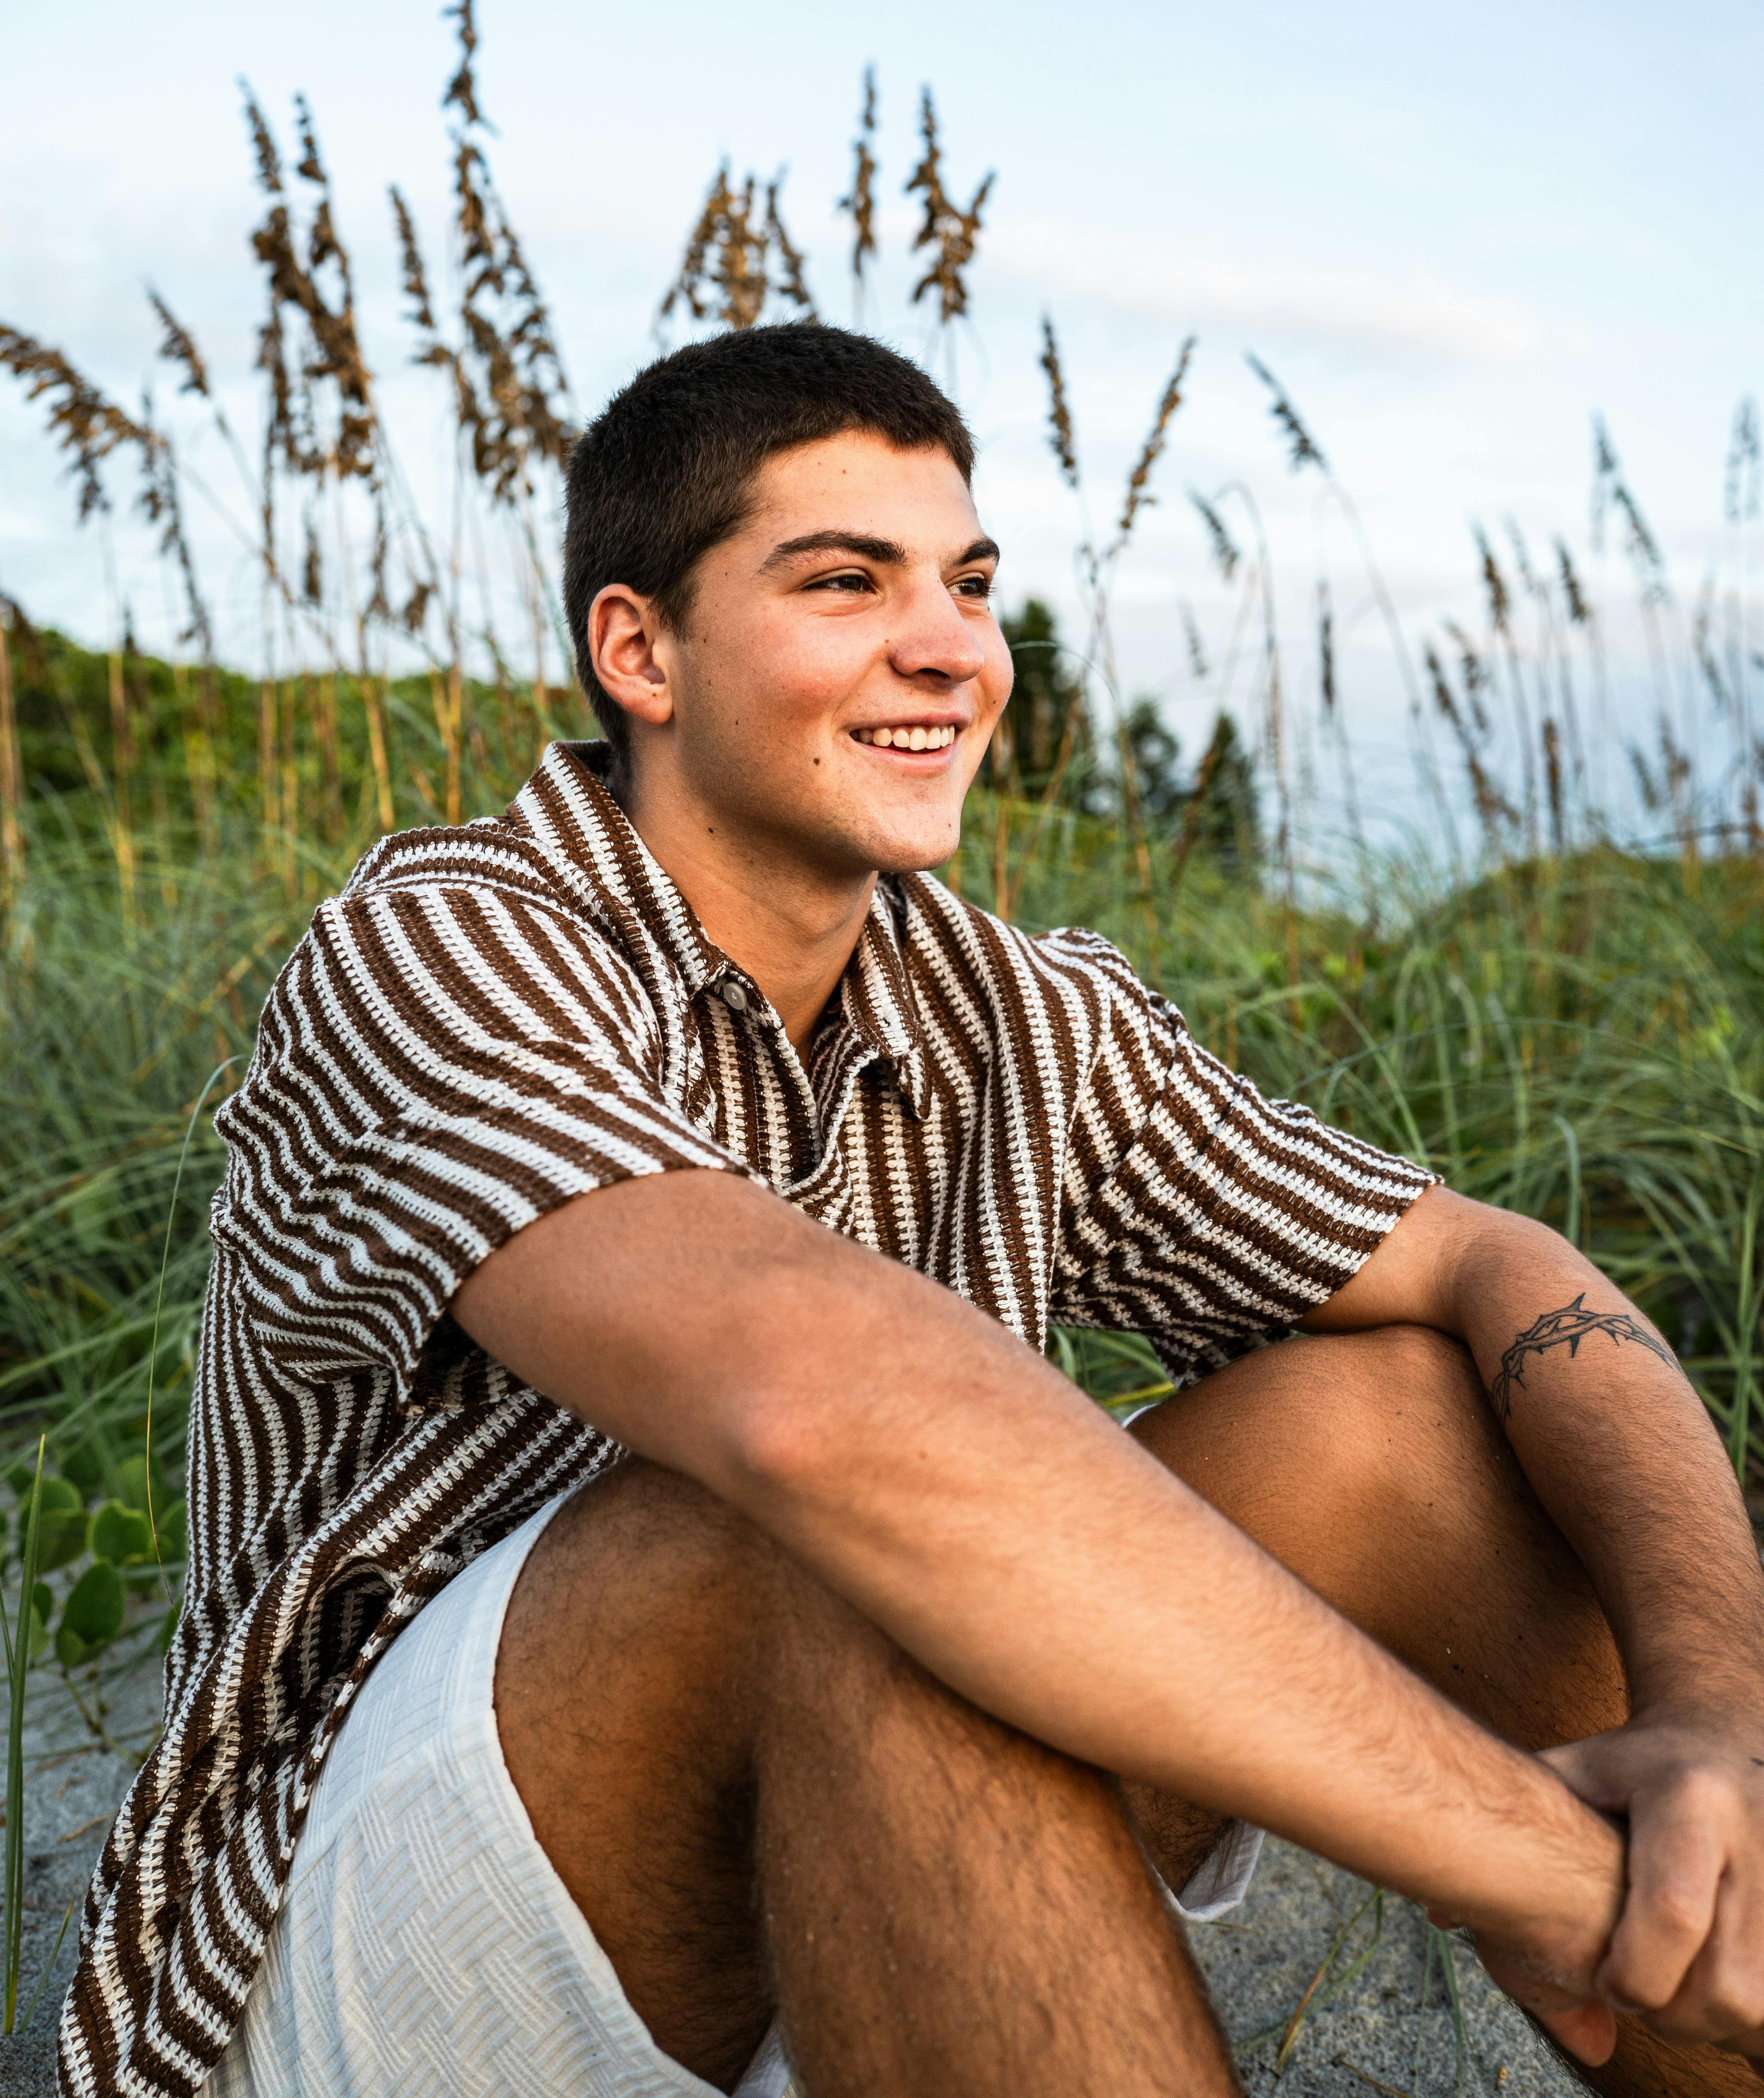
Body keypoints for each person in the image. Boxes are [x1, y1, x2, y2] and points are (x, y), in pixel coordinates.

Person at [63, 325, 1764, 2098]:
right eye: (843, 581)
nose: (952, 647)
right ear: (639, 652)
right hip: (359, 1973)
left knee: (1397, 1420)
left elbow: (1494, 1261)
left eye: (969, 582)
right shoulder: (439, 942)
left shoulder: (1015, 1015)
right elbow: (814, 1408)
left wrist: (1717, 1713)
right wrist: (1539, 1864)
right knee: (833, 1527)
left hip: (868, 1874)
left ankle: (1718, 1955)